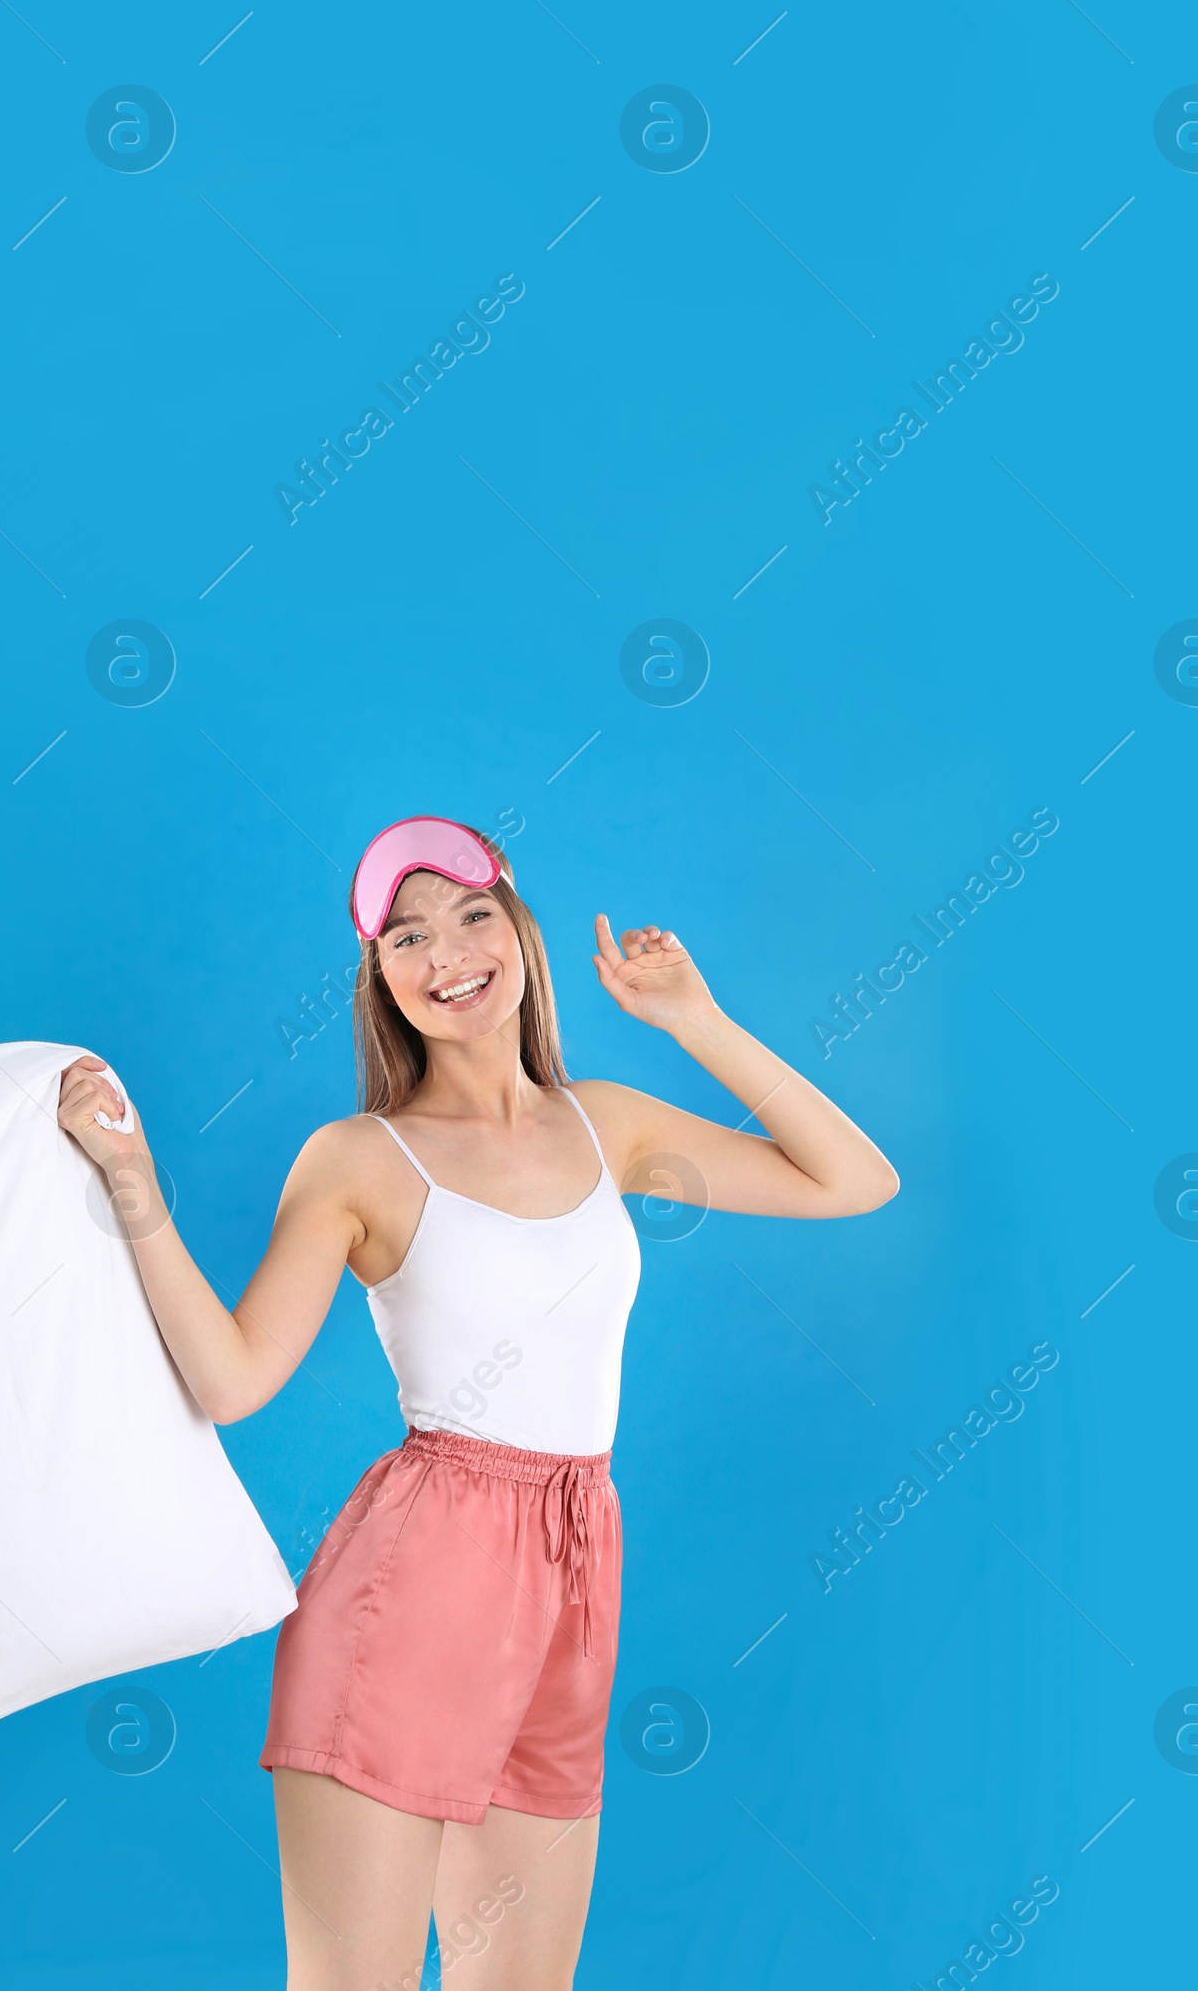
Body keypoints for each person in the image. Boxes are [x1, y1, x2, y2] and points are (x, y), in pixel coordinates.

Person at [57, 815, 897, 1991]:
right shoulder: (357, 1158)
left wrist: (690, 1019)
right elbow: (233, 1379)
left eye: (469, 914)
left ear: (519, 928)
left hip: (575, 1573)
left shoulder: (611, 1124)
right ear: (381, 979)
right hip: (417, 1586)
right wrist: (134, 1184)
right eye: (405, 935)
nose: (445, 952)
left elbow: (854, 1179)